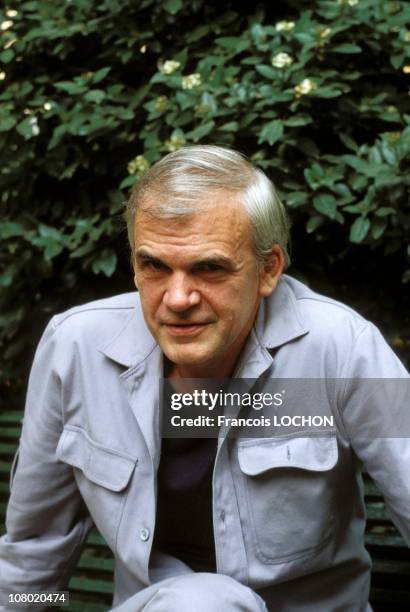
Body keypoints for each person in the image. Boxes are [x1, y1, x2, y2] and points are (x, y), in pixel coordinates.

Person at [0, 145, 409, 612]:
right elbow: (33, 558)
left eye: (209, 268)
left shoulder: (343, 349)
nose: (177, 298)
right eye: (154, 266)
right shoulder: (76, 349)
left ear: (268, 269)